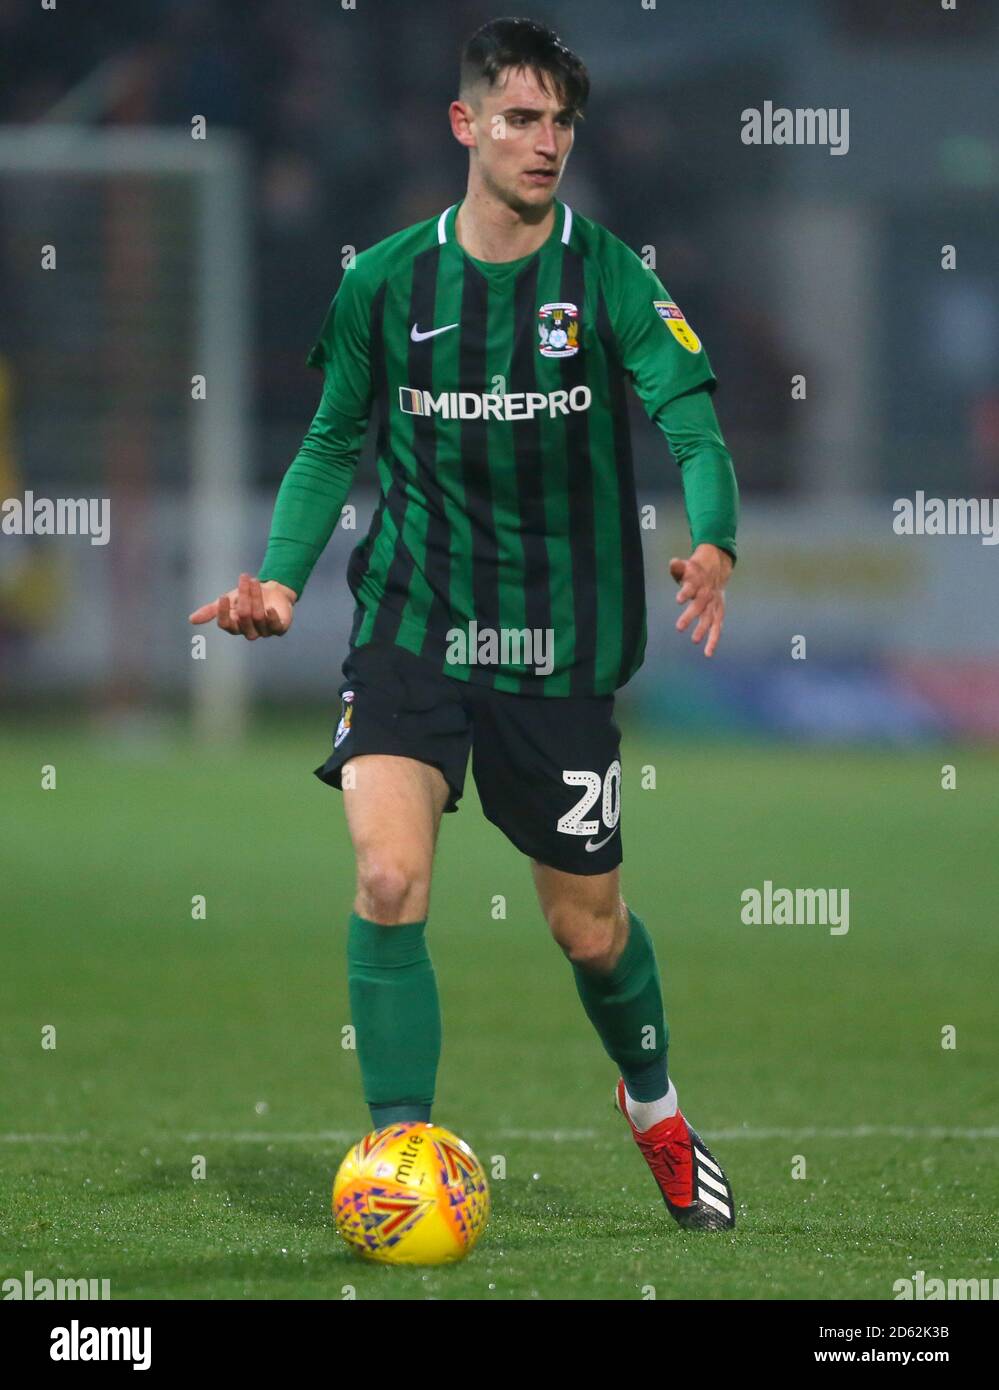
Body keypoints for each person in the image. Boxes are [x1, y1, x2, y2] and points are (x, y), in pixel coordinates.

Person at [191, 17, 739, 1231]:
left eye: (560, 124)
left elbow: (693, 422)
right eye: (521, 119)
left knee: (586, 930)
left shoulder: (609, 275)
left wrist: (713, 539)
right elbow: (335, 434)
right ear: (466, 125)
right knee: (388, 876)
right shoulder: (387, 280)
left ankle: (654, 1105)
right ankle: (399, 1159)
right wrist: (280, 579)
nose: (546, 145)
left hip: (560, 646)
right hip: (414, 623)